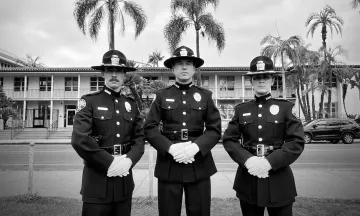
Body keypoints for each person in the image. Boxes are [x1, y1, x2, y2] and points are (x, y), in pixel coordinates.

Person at [143, 46, 222, 216]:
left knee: (200, 212)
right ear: (173, 68)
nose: (184, 67)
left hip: (198, 163)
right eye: (179, 63)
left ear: (194, 68)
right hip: (169, 164)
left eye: (188, 63)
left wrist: (195, 147)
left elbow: (214, 129)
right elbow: (150, 128)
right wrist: (170, 148)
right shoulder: (162, 95)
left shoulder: (205, 95)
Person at [222, 56, 305, 216]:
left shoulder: (285, 108)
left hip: (278, 179)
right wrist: (248, 160)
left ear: (272, 80)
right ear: (251, 81)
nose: (261, 81)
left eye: (265, 77)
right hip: (249, 179)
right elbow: (229, 139)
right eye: (257, 77)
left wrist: (270, 162)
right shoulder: (241, 109)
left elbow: (296, 141)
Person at [71, 50, 145, 216]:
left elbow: (139, 139)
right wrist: (109, 162)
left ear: (124, 75)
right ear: (103, 73)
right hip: (97, 181)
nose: (114, 75)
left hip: (124, 182)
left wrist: (129, 161)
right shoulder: (90, 101)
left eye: (118, 71)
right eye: (110, 70)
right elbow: (80, 139)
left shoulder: (131, 105)